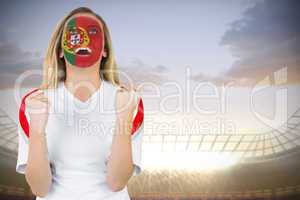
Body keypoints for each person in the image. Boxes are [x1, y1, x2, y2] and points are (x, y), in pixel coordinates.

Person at [16, 7, 144, 200]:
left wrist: (123, 118)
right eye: (75, 34)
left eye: (93, 32)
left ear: (104, 50)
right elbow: (40, 188)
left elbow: (116, 181)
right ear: (60, 50)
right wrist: (37, 130)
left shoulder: (129, 101)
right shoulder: (34, 103)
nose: (83, 40)